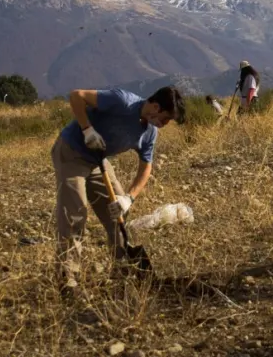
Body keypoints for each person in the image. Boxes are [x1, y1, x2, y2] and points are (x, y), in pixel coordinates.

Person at [51, 85, 185, 292]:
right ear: (156, 107)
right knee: (74, 213)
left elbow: (146, 166)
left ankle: (122, 268)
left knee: (118, 212)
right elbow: (76, 95)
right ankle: (67, 278)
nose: (164, 125)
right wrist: (87, 129)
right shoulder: (122, 101)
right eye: (165, 119)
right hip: (72, 152)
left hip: (98, 161)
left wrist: (128, 198)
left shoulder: (149, 132)